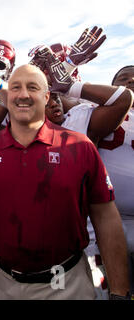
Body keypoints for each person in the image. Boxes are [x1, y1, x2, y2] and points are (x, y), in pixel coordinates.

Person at [0, 63, 130, 300]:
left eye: (33, 87)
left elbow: (105, 216)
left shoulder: (80, 146)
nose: (23, 94)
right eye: (15, 87)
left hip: (66, 282)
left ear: (46, 96)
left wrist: (119, 290)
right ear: (6, 96)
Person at [98, 65, 134, 296]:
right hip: (109, 220)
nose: (130, 81)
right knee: (115, 290)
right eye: (123, 78)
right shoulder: (95, 111)